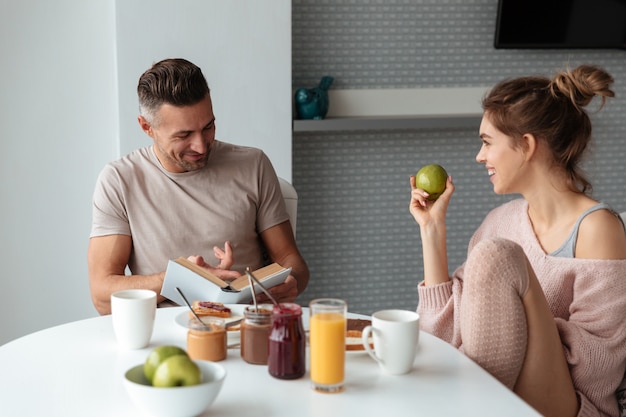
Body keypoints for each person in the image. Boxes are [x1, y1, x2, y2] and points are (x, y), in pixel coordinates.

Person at [409, 65, 626, 417]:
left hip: (571, 405)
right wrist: (432, 231)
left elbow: (600, 369)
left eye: (487, 142)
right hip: (500, 397)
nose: (480, 157)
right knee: (494, 252)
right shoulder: (500, 221)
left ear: (526, 145)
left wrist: (517, 321)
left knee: (496, 255)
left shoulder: (597, 228)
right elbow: (446, 337)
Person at [88, 58, 309, 315]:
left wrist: (293, 282)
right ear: (147, 127)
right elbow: (102, 295)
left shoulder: (254, 165)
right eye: (183, 136)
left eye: (208, 127)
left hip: (246, 326)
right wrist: (180, 278)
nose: (202, 146)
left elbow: (292, 262)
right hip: (162, 334)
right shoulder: (119, 180)